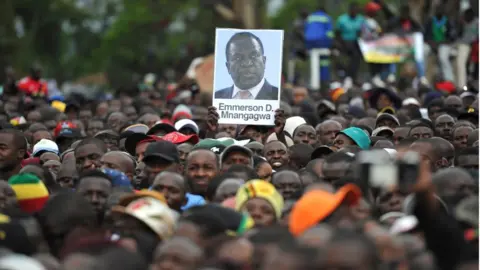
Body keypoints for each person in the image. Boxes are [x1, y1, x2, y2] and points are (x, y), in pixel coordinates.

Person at [214, 32, 279, 100]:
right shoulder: (217, 98)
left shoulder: (279, 97)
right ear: (228, 67)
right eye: (237, 58)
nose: (247, 63)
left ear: (264, 61)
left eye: (253, 56)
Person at [335, 2, 365, 85]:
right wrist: (339, 44)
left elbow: (363, 32)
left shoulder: (361, 19)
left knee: (356, 58)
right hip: (343, 42)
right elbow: (337, 33)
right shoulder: (342, 19)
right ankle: (343, 77)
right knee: (342, 60)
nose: (354, 12)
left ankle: (353, 77)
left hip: (356, 43)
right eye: (353, 10)